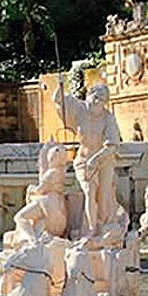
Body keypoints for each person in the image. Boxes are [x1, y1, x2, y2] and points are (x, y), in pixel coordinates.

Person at [53, 81, 120, 238]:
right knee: (89, 191)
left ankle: (102, 227)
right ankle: (89, 230)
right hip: (83, 159)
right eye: (95, 97)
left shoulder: (108, 118)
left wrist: (95, 160)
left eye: (102, 100)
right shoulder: (79, 108)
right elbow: (58, 100)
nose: (97, 102)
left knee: (103, 199)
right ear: (89, 95)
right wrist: (61, 86)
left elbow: (113, 146)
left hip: (104, 160)